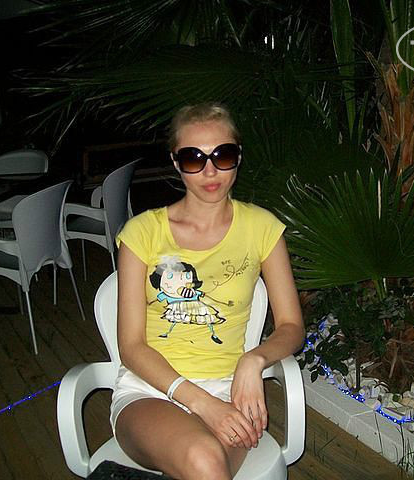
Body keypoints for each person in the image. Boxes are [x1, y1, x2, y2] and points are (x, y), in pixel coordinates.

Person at [111, 103, 305, 480]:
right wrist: (201, 403)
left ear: (238, 156)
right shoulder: (141, 233)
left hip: (230, 392)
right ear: (176, 162)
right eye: (193, 158)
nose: (210, 171)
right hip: (151, 390)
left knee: (204, 464)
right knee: (203, 459)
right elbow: (131, 347)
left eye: (223, 155)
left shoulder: (262, 228)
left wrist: (254, 361)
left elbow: (291, 326)